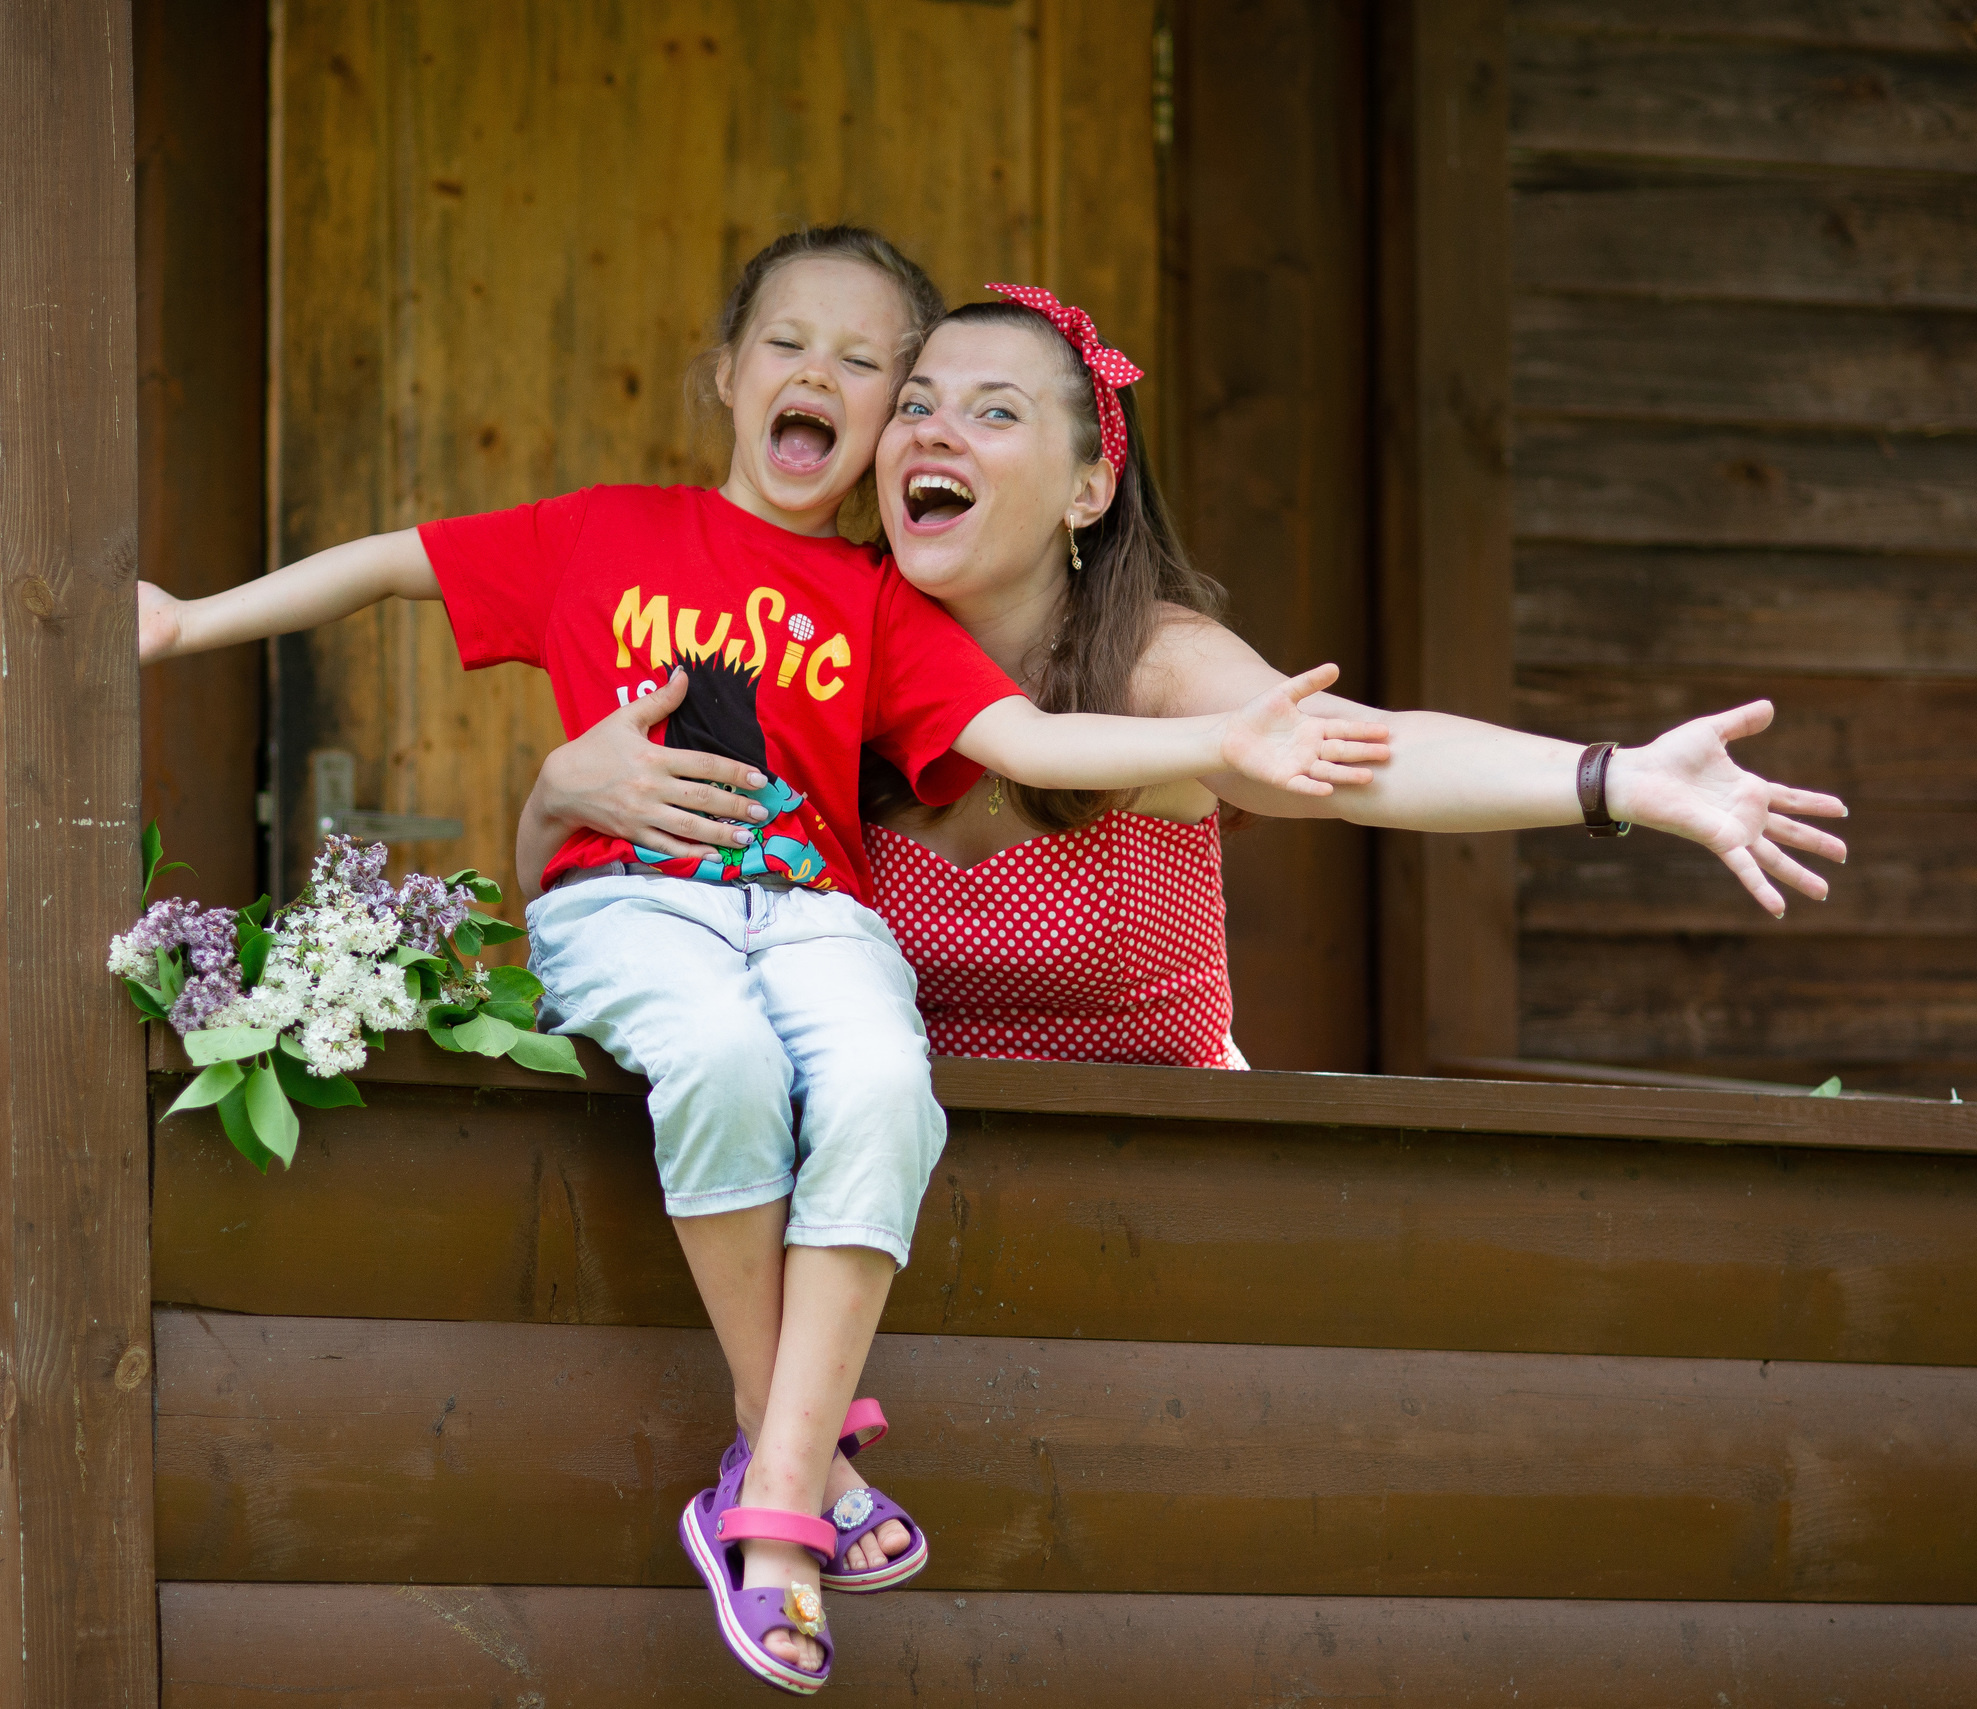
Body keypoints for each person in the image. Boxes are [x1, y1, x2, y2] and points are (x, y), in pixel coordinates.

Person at [135, 227, 1391, 1697]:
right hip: (639, 911)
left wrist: (1218, 744)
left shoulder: (880, 603)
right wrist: (190, 621)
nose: (821, 374)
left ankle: (773, 1467)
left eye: (867, 363)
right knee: (725, 1063)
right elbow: (392, 565)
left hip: (809, 917)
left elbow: (1033, 744)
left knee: (878, 1077)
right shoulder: (604, 530)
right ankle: (789, 1495)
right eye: (788, 343)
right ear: (725, 374)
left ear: (881, 425)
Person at [522, 293, 1852, 1077]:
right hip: (883, 1195)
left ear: (1089, 485)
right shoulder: (810, 654)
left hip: (1158, 1194)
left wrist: (1612, 778)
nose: (934, 428)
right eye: (917, 402)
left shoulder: (1154, 666)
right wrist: (549, 802)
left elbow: (1366, 753)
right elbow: (628, 898)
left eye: (995, 411)